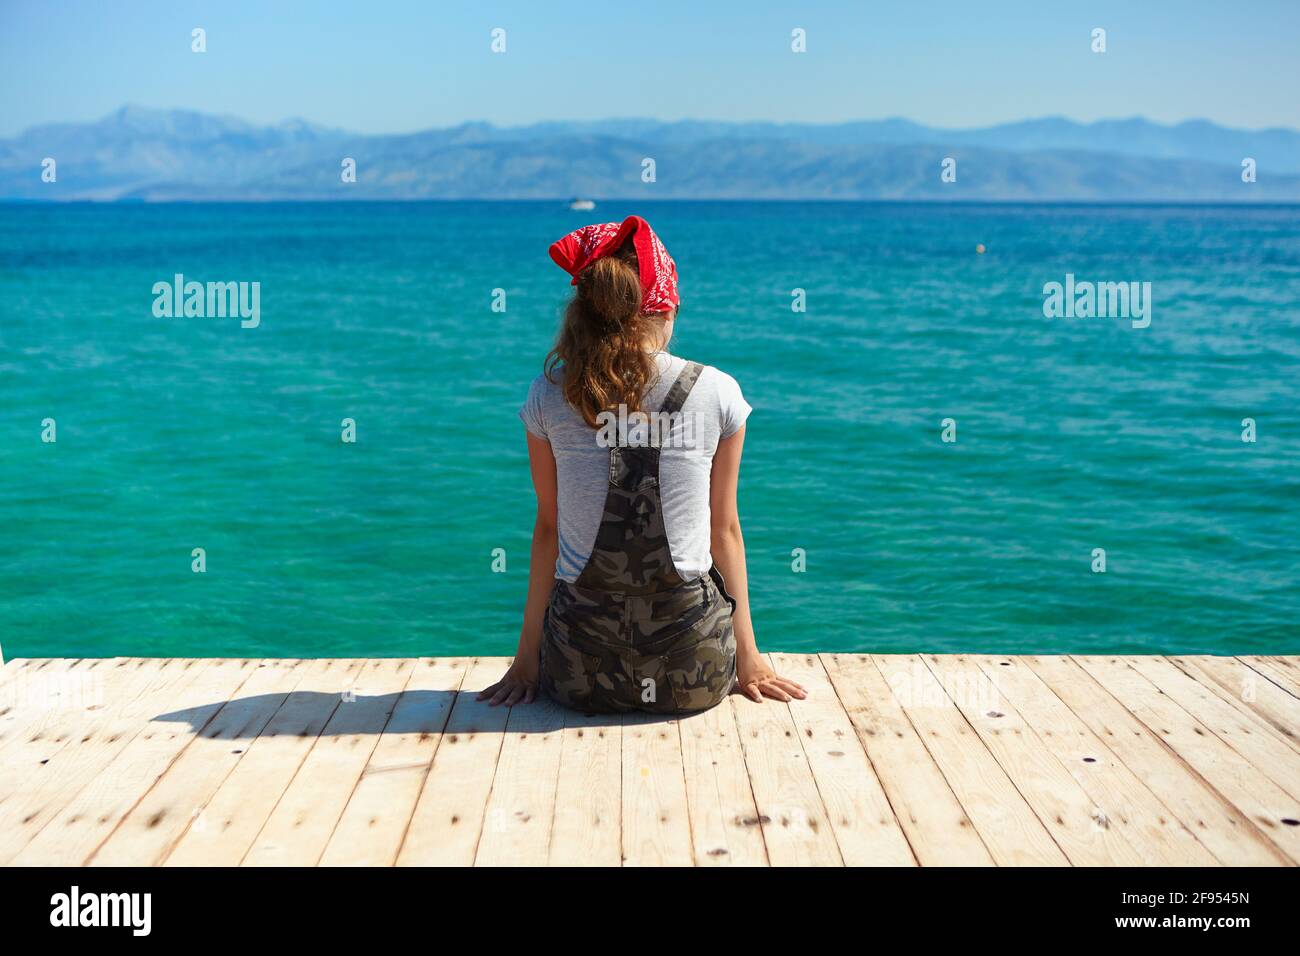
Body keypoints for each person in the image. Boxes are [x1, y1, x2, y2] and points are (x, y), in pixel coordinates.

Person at [479, 215, 806, 714]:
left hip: (577, 674)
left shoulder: (549, 394)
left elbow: (547, 530)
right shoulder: (716, 391)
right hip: (691, 675)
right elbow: (726, 531)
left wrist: (527, 660)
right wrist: (749, 659)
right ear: (667, 309)